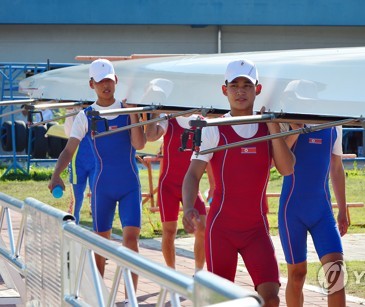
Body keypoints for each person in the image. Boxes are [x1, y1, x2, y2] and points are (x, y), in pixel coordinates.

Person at [182, 59, 295, 307]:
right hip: (221, 229)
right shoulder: (214, 128)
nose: (241, 91)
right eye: (234, 85)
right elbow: (192, 175)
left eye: (247, 85)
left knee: (271, 298)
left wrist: (272, 124)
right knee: (219, 301)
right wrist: (188, 206)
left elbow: (287, 169)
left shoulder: (269, 127)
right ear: (225, 90)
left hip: (256, 228)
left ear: (258, 89)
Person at [48, 59, 146, 298]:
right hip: (103, 187)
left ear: (116, 82)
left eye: (109, 81)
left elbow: (140, 144)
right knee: (101, 243)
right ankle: (99, 298)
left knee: (131, 241)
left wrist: (133, 113)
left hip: (130, 186)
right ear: (92, 84)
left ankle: (130, 299)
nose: (106, 86)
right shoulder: (86, 116)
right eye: (100, 82)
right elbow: (69, 150)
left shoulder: (127, 109)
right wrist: (56, 175)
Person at [278, 123, 348, 307]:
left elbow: (336, 166)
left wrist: (343, 208)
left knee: (336, 273)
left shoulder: (335, 123)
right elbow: (279, 161)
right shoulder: (289, 121)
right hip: (292, 211)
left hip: (322, 212)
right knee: (297, 275)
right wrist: (295, 129)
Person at [145, 113, 208, 272]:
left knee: (202, 229)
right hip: (169, 187)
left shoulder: (200, 121)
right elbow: (151, 136)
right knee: (169, 231)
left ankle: (198, 274)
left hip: (192, 187)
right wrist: (152, 113)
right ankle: (171, 274)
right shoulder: (168, 119)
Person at [63, 107, 95, 224]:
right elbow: (68, 133)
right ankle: (74, 224)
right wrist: (69, 111)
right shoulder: (78, 113)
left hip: (94, 163)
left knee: (96, 194)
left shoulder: (97, 110)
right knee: (77, 198)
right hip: (78, 163)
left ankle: (99, 227)